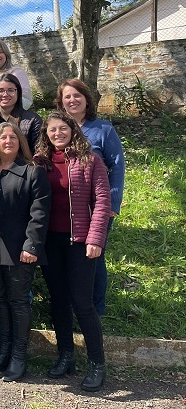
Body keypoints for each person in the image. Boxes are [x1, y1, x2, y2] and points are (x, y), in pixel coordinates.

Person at [35, 111, 111, 391]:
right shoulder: (40, 162)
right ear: (46, 134)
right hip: (49, 241)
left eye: (62, 128)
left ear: (72, 130)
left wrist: (96, 238)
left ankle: (97, 363)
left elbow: (102, 201)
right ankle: (66, 355)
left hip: (79, 241)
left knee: (82, 302)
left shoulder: (90, 160)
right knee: (58, 300)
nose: (58, 133)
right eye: (52, 130)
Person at [0, 123, 50, 381]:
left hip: (20, 250)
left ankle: (19, 357)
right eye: (3, 137)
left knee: (18, 302)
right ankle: (4, 352)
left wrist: (31, 245)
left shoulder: (32, 172)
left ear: (20, 142)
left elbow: (39, 213)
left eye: (13, 137)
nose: (8, 141)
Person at [55, 78, 125, 316]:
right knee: (70, 256)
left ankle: (95, 307)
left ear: (87, 99)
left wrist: (112, 203)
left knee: (94, 253)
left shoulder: (102, 129)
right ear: (61, 102)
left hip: (97, 206)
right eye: (67, 97)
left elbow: (117, 166)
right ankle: (70, 304)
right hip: (65, 208)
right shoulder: (57, 129)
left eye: (77, 95)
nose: (72, 100)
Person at [0, 73, 42, 151]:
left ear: (18, 93)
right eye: (1, 90)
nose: (5, 94)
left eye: (10, 90)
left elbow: (39, 152)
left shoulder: (32, 120)